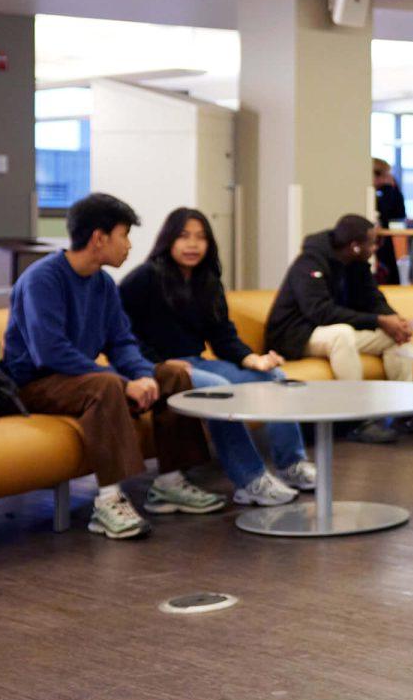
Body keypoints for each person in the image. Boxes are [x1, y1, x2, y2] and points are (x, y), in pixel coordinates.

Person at [2, 193, 221, 540]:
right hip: (36, 385)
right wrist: (120, 381)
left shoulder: (103, 284)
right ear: (99, 238)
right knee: (105, 386)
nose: (129, 246)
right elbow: (50, 352)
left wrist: (144, 376)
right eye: (124, 235)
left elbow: (122, 341)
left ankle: (169, 483)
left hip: (80, 379)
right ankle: (107, 500)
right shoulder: (42, 279)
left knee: (174, 374)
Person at [120, 207, 316, 507]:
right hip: (156, 368)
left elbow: (223, 336)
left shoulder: (207, 280)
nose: (192, 245)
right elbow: (121, 331)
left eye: (200, 238)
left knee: (275, 378)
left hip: (196, 361)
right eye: (184, 236)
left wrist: (253, 360)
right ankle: (250, 480)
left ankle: (291, 464)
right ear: (168, 240)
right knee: (219, 389)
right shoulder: (145, 277)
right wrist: (157, 362)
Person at [265, 214, 413, 445]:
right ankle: (355, 421)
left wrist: (393, 319)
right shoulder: (310, 262)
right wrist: (378, 320)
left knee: (393, 338)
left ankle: (407, 413)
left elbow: (372, 298)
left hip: (329, 333)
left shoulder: (357, 264)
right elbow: (321, 312)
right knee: (342, 334)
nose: (376, 247)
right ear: (355, 246)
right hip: (295, 335)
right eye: (372, 242)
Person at [372, 158, 406, 284]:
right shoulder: (370, 195)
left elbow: (399, 213)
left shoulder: (387, 192)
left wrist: (390, 188)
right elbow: (383, 210)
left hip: (385, 246)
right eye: (378, 174)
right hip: (373, 246)